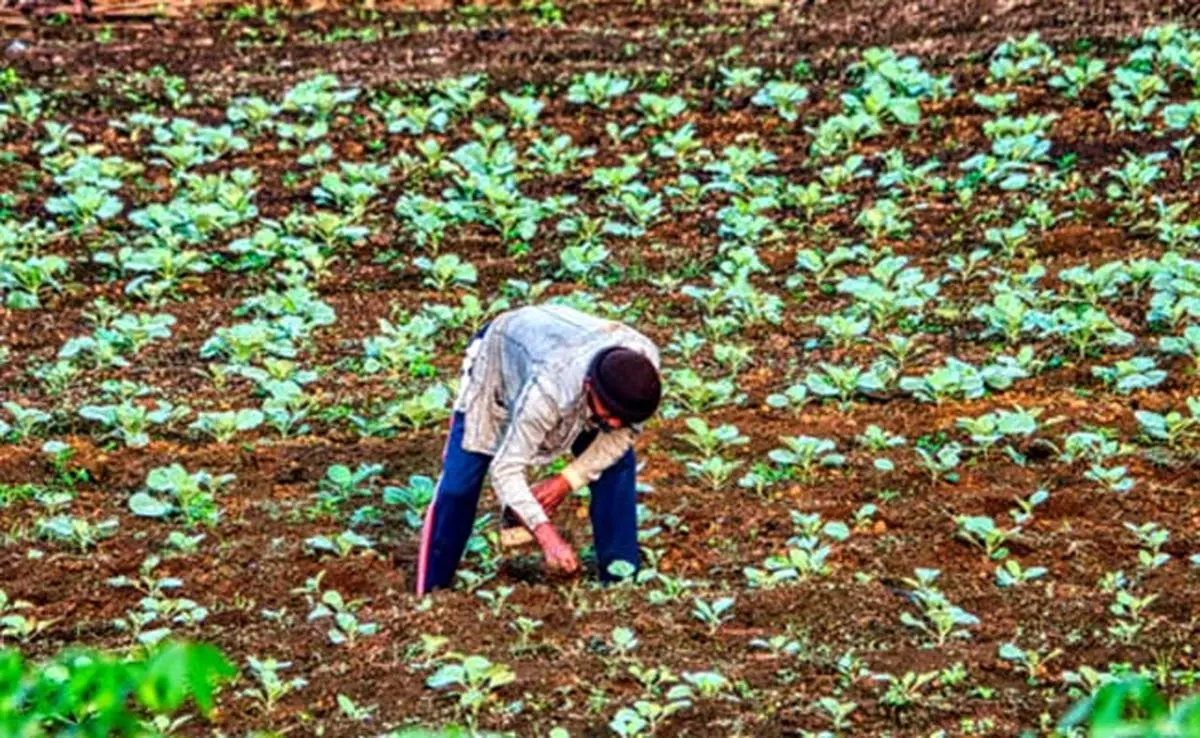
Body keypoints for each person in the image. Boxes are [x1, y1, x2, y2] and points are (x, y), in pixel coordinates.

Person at [414, 304, 662, 595]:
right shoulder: (549, 390)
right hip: (501, 359)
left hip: (564, 349)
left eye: (624, 417)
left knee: (615, 466)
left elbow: (622, 436)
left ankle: (621, 581)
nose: (615, 423)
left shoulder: (642, 373)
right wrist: (548, 537)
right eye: (608, 413)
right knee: (460, 483)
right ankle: (432, 590)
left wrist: (566, 480)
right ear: (588, 387)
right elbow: (507, 468)